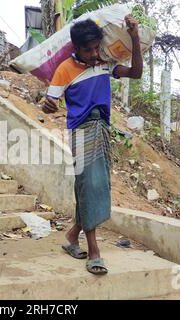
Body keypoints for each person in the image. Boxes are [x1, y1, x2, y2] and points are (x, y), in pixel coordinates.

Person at [43, 15, 143, 275]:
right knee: (90, 185)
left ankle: (72, 235)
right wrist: (48, 104)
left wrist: (134, 36)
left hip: (103, 128)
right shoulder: (64, 69)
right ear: (75, 47)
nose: (93, 53)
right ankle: (95, 251)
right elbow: (48, 101)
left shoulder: (105, 63)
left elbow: (136, 73)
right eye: (87, 49)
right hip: (82, 131)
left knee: (93, 185)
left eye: (96, 47)